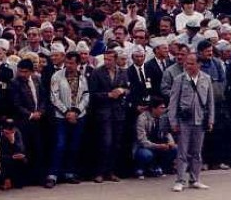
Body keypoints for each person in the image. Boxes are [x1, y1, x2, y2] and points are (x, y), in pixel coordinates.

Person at [168, 52, 215, 192]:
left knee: (197, 151)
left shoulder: (206, 79)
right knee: (182, 152)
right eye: (186, 63)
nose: (187, 66)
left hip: (200, 120)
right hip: (184, 120)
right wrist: (173, 121)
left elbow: (210, 101)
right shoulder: (179, 79)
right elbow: (173, 102)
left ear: (199, 64)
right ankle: (180, 180)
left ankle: (195, 179)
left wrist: (211, 119)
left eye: (191, 63)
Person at [47, 52, 88, 188]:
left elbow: (86, 96)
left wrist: (76, 111)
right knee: (60, 145)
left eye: (72, 63)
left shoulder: (82, 77)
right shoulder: (57, 76)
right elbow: (54, 97)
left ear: (77, 64)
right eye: (67, 62)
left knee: (74, 145)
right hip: (61, 116)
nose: (69, 65)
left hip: (78, 116)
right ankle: (53, 175)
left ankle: (69, 173)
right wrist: (66, 112)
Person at [88, 46, 129, 182]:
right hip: (104, 112)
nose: (107, 62)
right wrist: (108, 95)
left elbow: (129, 89)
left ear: (116, 60)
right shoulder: (97, 73)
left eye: (110, 59)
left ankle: (110, 171)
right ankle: (99, 172)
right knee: (105, 142)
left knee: (116, 143)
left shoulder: (122, 72)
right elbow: (92, 94)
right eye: (105, 59)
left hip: (118, 112)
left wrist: (122, 91)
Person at [133, 96, 176, 178]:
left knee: (174, 149)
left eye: (164, 108)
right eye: (161, 108)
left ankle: (158, 166)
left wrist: (171, 142)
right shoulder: (142, 118)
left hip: (159, 144)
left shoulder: (163, 118)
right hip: (144, 147)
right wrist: (157, 146)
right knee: (146, 154)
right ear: (153, 108)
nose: (163, 110)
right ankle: (140, 168)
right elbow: (142, 140)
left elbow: (167, 133)